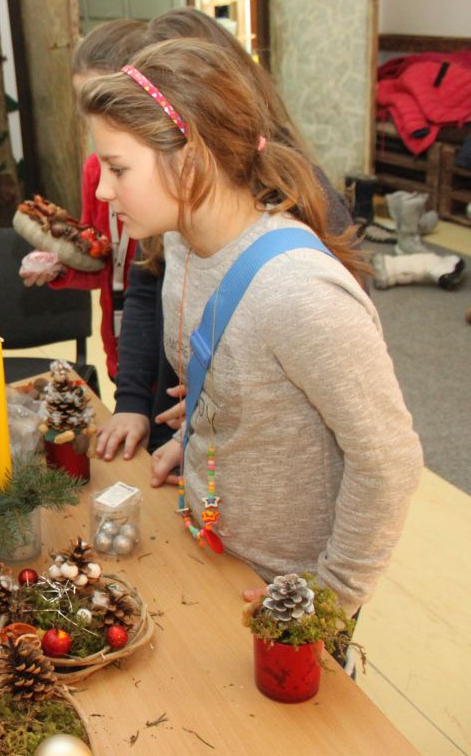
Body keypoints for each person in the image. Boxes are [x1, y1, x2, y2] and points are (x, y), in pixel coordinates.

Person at [78, 38, 422, 614]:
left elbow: (389, 460)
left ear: (191, 161)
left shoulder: (299, 293)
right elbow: (236, 377)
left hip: (284, 588)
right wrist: (197, 438)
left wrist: (328, 596)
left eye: (117, 169)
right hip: (208, 540)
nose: (101, 190)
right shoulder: (181, 245)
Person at [93, 7, 358, 463]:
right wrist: (168, 409)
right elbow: (149, 290)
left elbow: (365, 431)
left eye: (118, 167)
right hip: (199, 441)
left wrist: (228, 411)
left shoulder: (296, 262)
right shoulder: (177, 224)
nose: (103, 189)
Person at [20, 18, 147, 385]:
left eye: (105, 102)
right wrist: (61, 266)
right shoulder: (95, 171)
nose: (94, 119)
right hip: (121, 352)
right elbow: (102, 260)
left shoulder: (163, 180)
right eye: (85, 104)